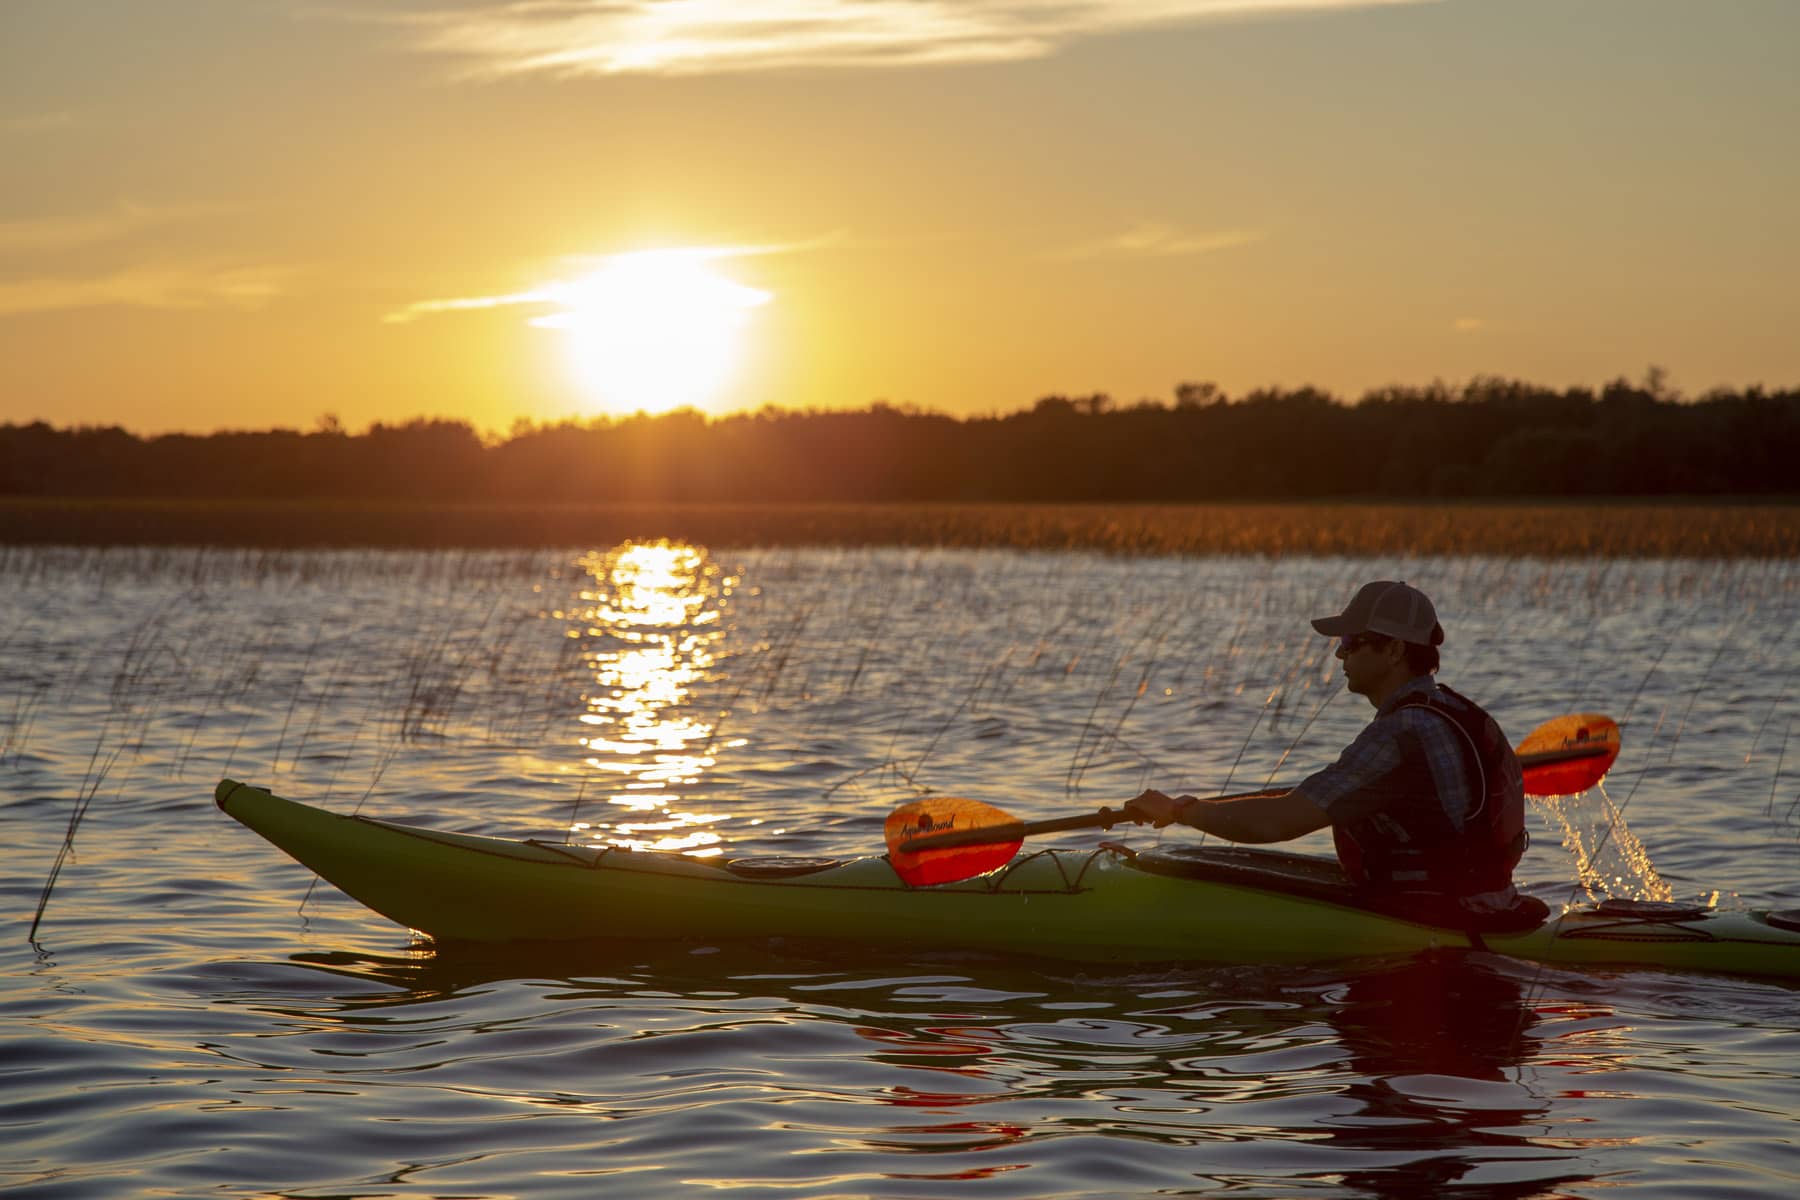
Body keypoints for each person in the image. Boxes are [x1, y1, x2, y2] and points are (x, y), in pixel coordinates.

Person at [1124, 580, 1540, 927]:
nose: (1339, 653)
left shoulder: (1399, 733)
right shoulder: (1466, 713)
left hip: (1434, 916)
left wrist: (1180, 810)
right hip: (1494, 903)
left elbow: (1276, 823)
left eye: (1350, 642)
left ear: (1395, 650)